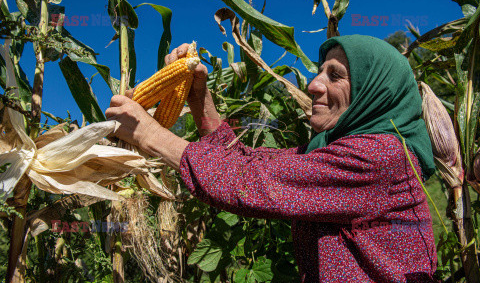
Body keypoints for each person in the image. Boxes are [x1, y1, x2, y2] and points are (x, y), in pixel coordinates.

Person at [105, 35, 438, 282]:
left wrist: (150, 135)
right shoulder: (334, 154)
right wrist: (199, 98)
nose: (312, 86)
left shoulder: (382, 156)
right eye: (319, 72)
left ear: (375, 90)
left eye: (335, 76)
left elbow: (254, 183)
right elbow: (249, 163)